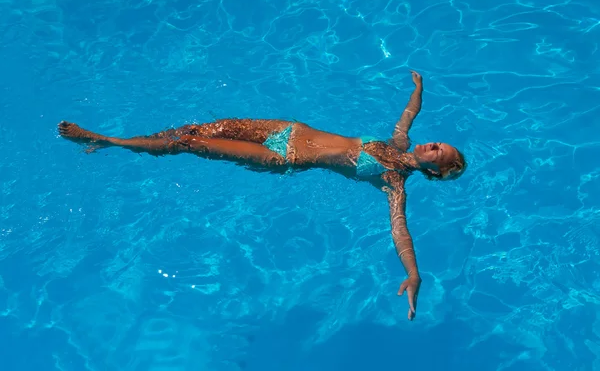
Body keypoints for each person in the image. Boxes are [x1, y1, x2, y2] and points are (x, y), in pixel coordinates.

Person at [58, 70, 466, 320]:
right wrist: (419, 88)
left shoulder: (394, 181)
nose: (432, 145)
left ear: (437, 172)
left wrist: (413, 275)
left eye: (438, 153)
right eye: (438, 143)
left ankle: (105, 140)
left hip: (282, 155)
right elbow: (409, 113)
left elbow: (400, 231)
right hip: (288, 129)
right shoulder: (399, 141)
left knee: (192, 145)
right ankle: (133, 141)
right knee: (195, 129)